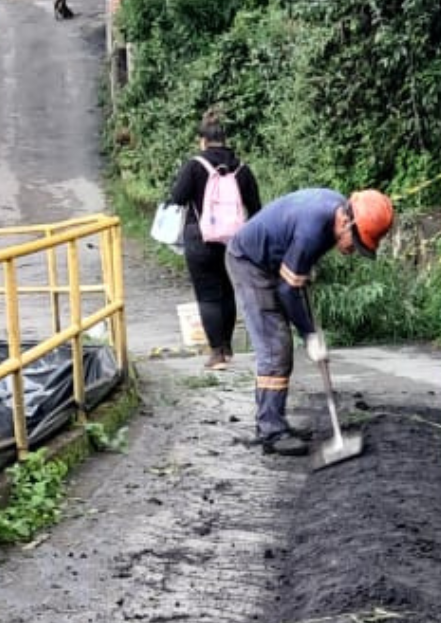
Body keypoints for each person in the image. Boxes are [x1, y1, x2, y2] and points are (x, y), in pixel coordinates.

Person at [225, 187, 395, 456]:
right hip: (250, 262)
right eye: (356, 242)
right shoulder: (314, 229)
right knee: (275, 347)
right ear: (345, 222)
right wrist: (310, 335)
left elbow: (296, 273)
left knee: (279, 346)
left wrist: (303, 268)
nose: (353, 250)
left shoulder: (335, 212)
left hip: (273, 260)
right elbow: (287, 290)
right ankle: (271, 431)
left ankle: (274, 421)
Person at [168, 111, 263, 370]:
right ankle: (229, 348)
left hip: (200, 238)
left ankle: (217, 354)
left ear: (202, 140)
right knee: (225, 290)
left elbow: (176, 198)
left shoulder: (195, 165)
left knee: (207, 294)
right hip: (233, 239)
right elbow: (255, 207)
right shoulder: (241, 168)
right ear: (225, 139)